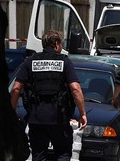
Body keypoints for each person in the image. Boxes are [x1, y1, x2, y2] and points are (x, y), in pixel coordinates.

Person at [10, 30, 87, 161]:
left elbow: (16, 88)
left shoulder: (30, 61)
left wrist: (11, 112)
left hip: (36, 118)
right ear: (56, 44)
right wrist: (82, 113)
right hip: (59, 118)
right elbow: (75, 89)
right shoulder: (64, 62)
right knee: (63, 154)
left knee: (38, 156)